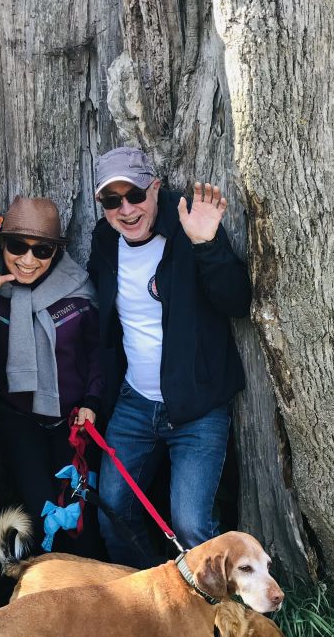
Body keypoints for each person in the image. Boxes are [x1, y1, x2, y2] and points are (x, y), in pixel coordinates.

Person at [87, 147, 251, 567]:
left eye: (135, 194)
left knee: (191, 526)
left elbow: (237, 300)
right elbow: (94, 309)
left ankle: (219, 615)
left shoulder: (187, 229)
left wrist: (206, 244)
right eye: (111, 200)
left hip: (197, 409)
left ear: (156, 187)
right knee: (112, 510)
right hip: (134, 403)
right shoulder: (104, 241)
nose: (126, 209)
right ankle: (149, 598)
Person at [0, 196, 103, 557]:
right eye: (17, 246)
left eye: (41, 249)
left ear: (56, 252)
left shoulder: (77, 291)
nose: (28, 260)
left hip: (73, 421)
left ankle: (89, 597)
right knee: (40, 510)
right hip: (20, 422)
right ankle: (49, 596)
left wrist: (93, 401)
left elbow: (97, 355)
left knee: (80, 517)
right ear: (2, 244)